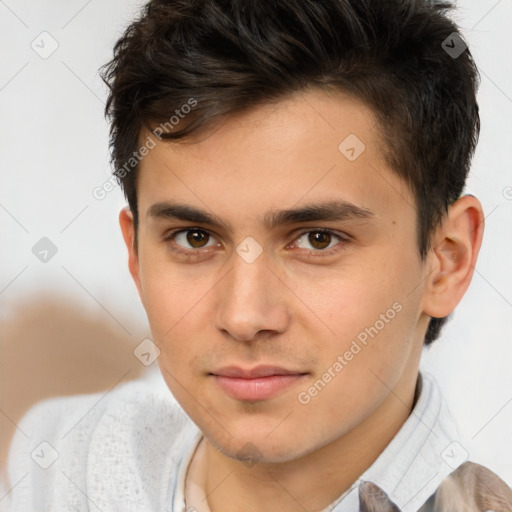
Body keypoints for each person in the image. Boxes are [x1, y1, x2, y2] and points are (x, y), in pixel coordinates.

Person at [4, 0, 512, 510]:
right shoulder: (65, 461)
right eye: (194, 238)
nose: (244, 317)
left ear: (447, 260)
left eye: (317, 239)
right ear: (135, 255)